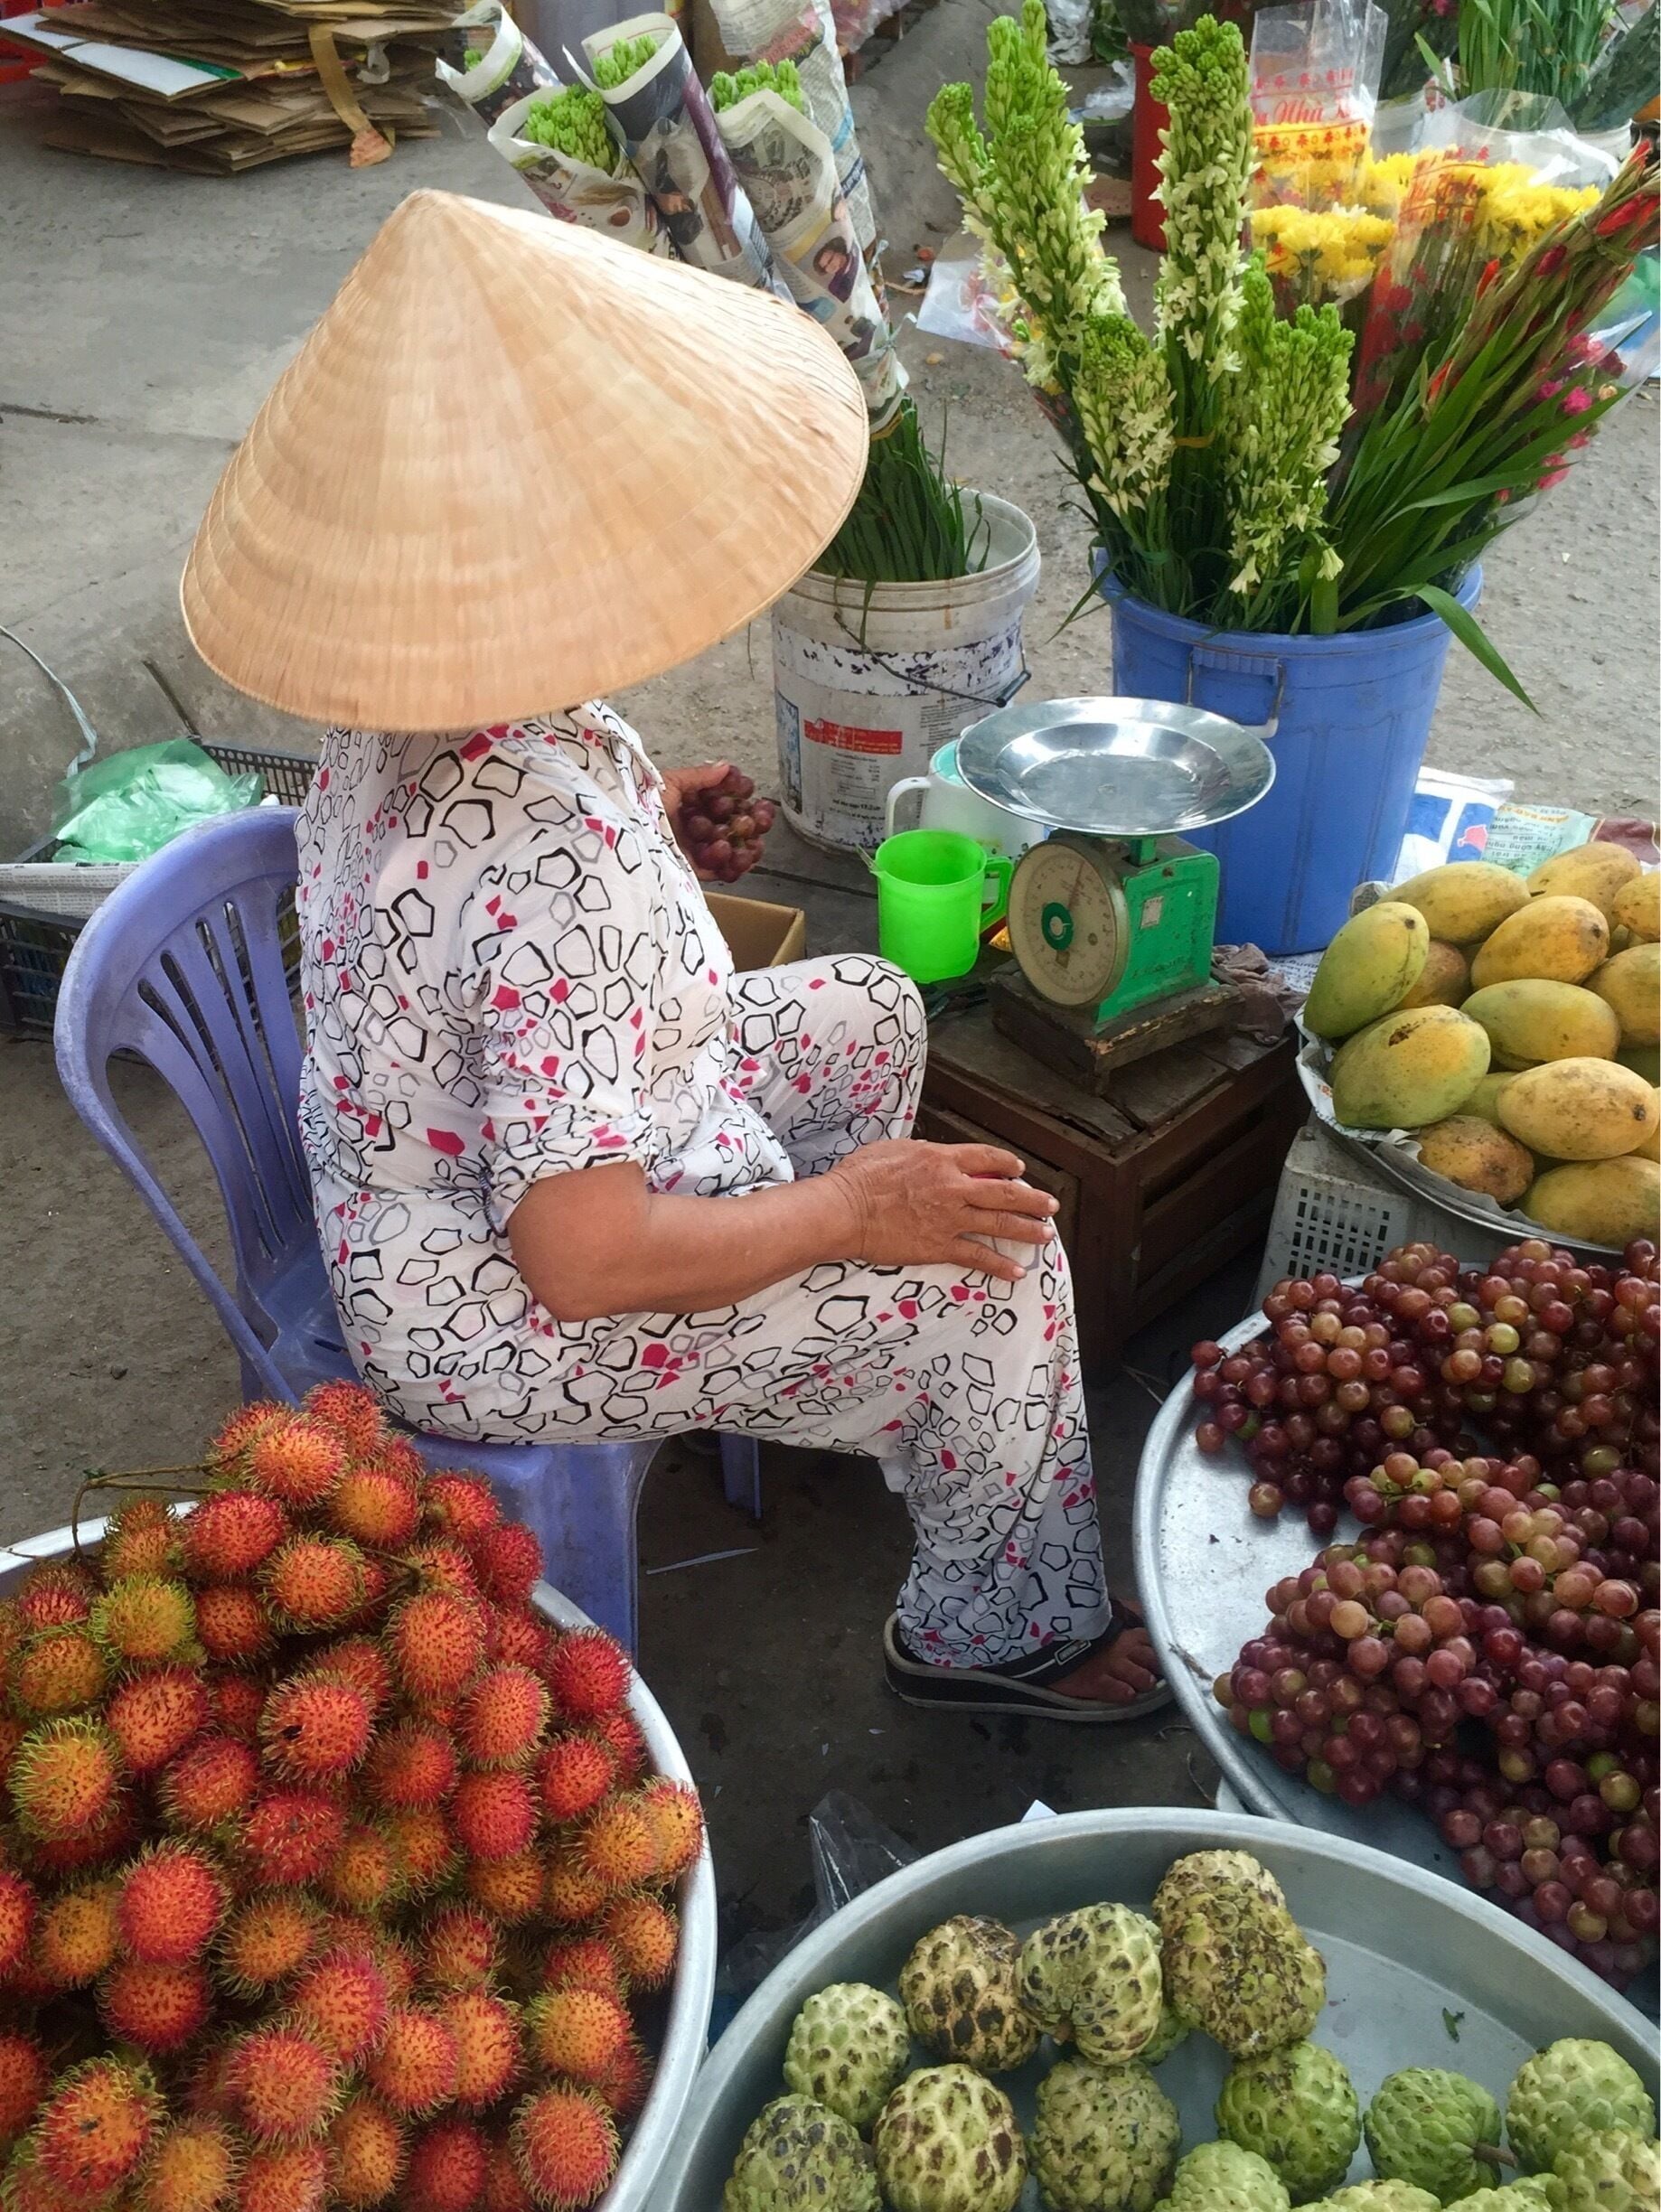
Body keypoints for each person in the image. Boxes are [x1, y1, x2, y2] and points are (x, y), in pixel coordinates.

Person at [180, 189, 1168, 1724]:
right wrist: (844, 1206)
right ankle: (990, 1632)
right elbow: (579, 1260)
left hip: (451, 1157)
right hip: (494, 1301)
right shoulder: (541, 855)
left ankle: (858, 1386)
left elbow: (493, 918)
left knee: (861, 1001)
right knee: (1000, 1275)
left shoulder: (412, 683)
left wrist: (651, 816)